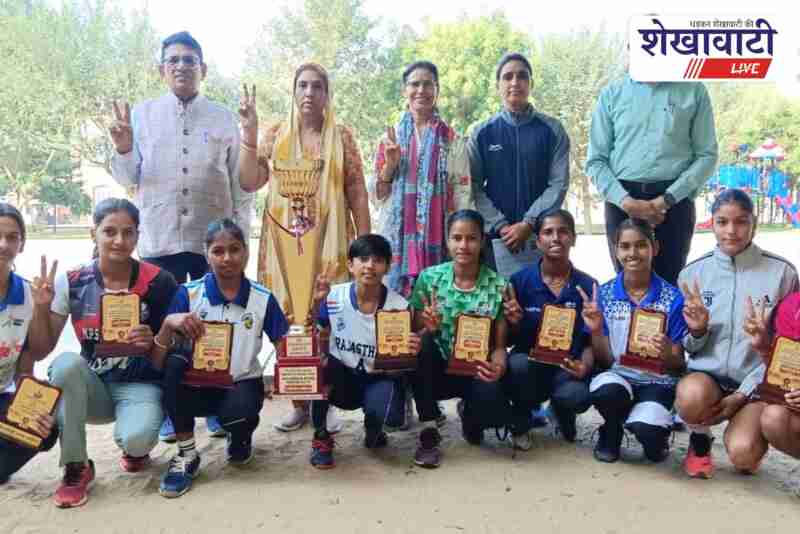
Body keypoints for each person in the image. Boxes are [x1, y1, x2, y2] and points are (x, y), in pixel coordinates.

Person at [109, 31, 251, 441]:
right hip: (160, 238)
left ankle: (216, 404)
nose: (182, 66)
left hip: (212, 242)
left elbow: (240, 185)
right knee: (164, 325)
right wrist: (123, 147)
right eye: (173, 60)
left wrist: (240, 237)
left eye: (189, 60)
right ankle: (171, 410)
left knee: (216, 319)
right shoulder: (142, 115)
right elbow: (126, 178)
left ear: (203, 69)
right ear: (162, 69)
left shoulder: (223, 118)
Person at [239, 63, 370, 433]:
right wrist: (249, 134)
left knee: (328, 319)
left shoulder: (342, 136)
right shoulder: (275, 133)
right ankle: (298, 401)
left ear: (327, 94)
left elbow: (357, 192)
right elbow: (249, 181)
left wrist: (365, 246)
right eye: (302, 85)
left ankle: (325, 403)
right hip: (284, 247)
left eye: (317, 86)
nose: (309, 92)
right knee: (287, 320)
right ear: (294, 92)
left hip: (331, 246)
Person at [28, 199, 177, 508]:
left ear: (138, 236)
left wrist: (155, 340)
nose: (119, 241)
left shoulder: (160, 281)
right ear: (93, 233)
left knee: (137, 440)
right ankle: (76, 466)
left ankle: (135, 448)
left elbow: (177, 350)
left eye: (128, 232)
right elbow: (42, 350)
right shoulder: (72, 281)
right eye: (109, 231)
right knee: (65, 365)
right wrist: (41, 308)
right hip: (92, 385)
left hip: (140, 383)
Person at [155, 219, 288, 497]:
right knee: (173, 364)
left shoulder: (263, 298)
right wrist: (168, 324)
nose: (227, 258)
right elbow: (157, 360)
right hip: (195, 384)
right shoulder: (188, 294)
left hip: (240, 384)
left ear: (246, 252)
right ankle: (187, 455)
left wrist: (299, 367)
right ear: (206, 255)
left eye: (234, 249)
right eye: (218, 251)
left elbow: (284, 346)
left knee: (240, 415)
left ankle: (239, 438)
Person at [675, 189, 798, 478]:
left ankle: (748, 440)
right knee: (690, 396)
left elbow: (788, 350)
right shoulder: (692, 273)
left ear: (754, 224)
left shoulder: (783, 274)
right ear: (712, 224)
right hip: (708, 379)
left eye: (741, 221)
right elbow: (686, 347)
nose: (731, 231)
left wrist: (743, 393)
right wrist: (698, 331)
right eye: (722, 222)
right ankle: (700, 440)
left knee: (743, 454)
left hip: (755, 385)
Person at [585, 72, 718, 285]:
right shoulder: (612, 94)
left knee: (670, 282)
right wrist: (626, 202)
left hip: (674, 201)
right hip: (622, 199)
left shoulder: (693, 90)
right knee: (626, 282)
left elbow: (707, 156)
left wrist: (666, 200)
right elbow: (596, 161)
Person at [580, 218, 688, 464]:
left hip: (658, 382)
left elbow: (678, 366)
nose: (632, 253)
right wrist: (596, 330)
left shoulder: (673, 298)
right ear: (616, 250)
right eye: (625, 246)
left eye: (641, 245)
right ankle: (611, 429)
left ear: (655, 248)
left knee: (648, 433)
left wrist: (667, 353)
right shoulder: (604, 295)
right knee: (607, 391)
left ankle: (655, 432)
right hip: (619, 377)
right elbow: (605, 360)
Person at [409, 209, 511, 468]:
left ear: (482, 241)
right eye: (457, 238)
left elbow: (500, 347)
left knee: (492, 415)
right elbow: (414, 333)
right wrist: (428, 328)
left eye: (471, 238)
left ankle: (470, 414)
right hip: (437, 371)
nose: (463, 245)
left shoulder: (499, 286)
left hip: (476, 370)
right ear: (447, 241)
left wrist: (498, 367)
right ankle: (429, 429)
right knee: (423, 345)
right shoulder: (429, 279)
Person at [309, 234, 420, 469]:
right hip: (341, 376)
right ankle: (321, 437)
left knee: (392, 418)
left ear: (388, 266)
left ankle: (374, 427)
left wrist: (412, 351)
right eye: (363, 259)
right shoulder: (332, 296)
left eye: (378, 260)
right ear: (350, 265)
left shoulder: (400, 307)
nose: (370, 265)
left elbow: (402, 362)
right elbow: (316, 333)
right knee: (317, 370)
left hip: (377, 377)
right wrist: (316, 305)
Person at [369, 60, 473, 297]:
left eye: (428, 84)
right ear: (404, 90)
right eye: (414, 84)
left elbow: (463, 194)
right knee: (395, 308)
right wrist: (391, 165)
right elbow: (378, 197)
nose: (421, 90)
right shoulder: (390, 138)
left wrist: (460, 239)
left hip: (439, 235)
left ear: (437, 90)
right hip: (397, 241)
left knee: (435, 304)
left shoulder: (452, 140)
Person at [502, 209, 597, 449]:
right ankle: (521, 418)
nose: (556, 238)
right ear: (538, 241)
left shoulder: (588, 286)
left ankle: (562, 410)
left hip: (567, 367)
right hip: (529, 366)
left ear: (573, 238)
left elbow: (589, 341)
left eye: (563, 231)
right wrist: (514, 322)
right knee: (517, 365)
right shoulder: (519, 282)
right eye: (548, 232)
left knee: (576, 395)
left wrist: (584, 366)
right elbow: (509, 341)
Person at [468, 52, 570, 273]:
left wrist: (528, 223)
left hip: (540, 237)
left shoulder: (553, 130)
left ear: (531, 84)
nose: (515, 82)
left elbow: (558, 184)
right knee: (498, 294)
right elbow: (473, 186)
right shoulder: (481, 133)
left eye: (522, 76)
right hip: (496, 239)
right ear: (497, 86)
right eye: (507, 77)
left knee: (540, 293)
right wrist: (500, 225)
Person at [0, 204, 58, 484]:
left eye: (12, 237)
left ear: (21, 244)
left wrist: (41, 308)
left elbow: (33, 357)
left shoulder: (27, 294)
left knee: (46, 429)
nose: (3, 244)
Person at [747, 291, 800, 470]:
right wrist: (763, 348)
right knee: (773, 418)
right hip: (791, 404)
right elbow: (784, 369)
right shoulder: (791, 304)